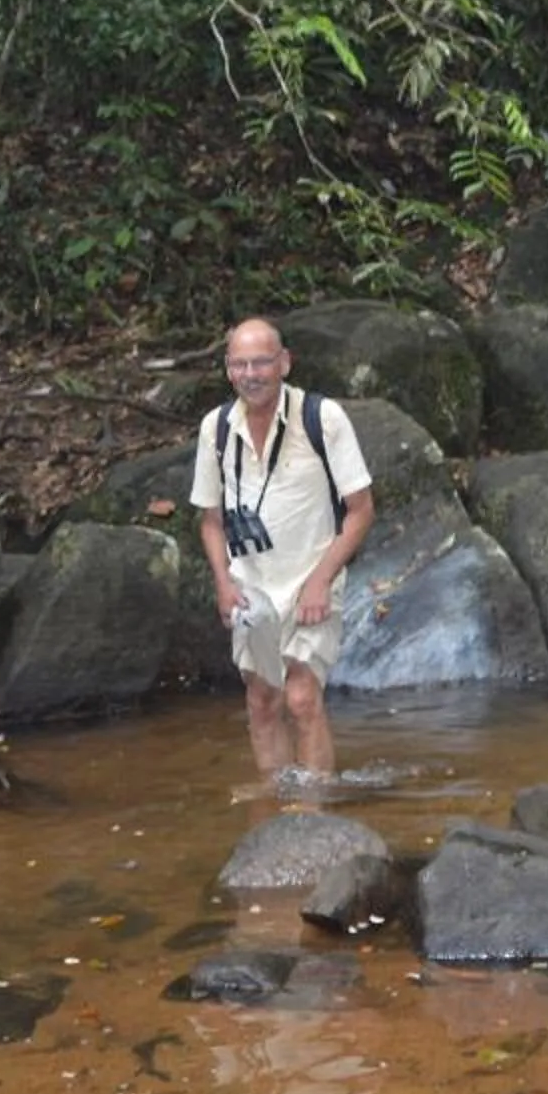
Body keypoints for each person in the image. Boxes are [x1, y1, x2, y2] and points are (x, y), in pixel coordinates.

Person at [189, 318, 374, 778]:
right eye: (240, 364)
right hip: (252, 587)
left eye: (262, 362)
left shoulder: (322, 419)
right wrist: (222, 582)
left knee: (301, 696)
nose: (251, 374)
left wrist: (321, 580)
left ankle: (315, 816)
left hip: (312, 578)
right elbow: (210, 520)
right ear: (229, 370)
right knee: (263, 700)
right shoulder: (216, 428)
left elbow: (361, 510)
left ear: (284, 363)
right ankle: (274, 816)